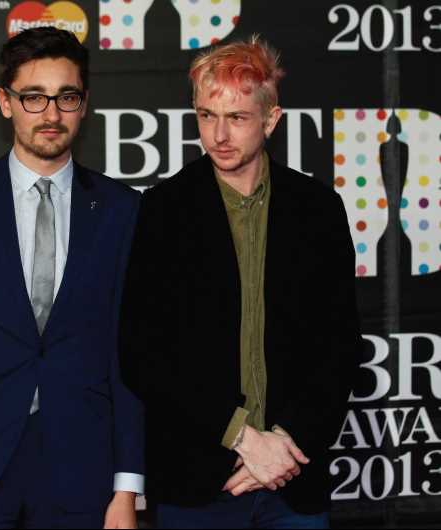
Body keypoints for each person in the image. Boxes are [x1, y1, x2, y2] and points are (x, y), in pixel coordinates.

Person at [0, 28, 145, 529]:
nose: (51, 114)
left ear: (84, 105)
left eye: (66, 97)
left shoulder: (121, 209)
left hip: (83, 473)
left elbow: (129, 357)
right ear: (5, 102)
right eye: (34, 97)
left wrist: (127, 486)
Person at [118, 36, 362, 529]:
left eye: (237, 117)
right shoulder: (162, 210)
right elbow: (145, 353)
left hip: (294, 478)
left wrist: (283, 447)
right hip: (197, 480)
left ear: (270, 120)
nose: (219, 135)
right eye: (206, 115)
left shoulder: (318, 209)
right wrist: (245, 439)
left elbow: (338, 347)